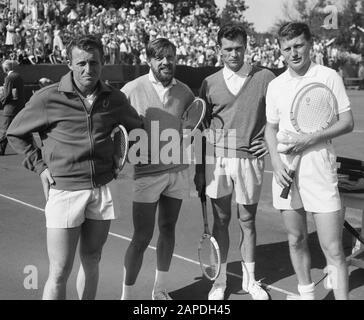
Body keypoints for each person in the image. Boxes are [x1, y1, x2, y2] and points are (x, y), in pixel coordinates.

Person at [7, 35, 142, 300]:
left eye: (94, 63)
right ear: (69, 64)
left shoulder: (115, 99)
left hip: (101, 188)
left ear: (103, 63)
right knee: (59, 270)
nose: (88, 70)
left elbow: (138, 126)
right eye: (81, 63)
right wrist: (41, 167)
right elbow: (14, 133)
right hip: (65, 191)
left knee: (92, 259)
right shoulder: (48, 98)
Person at [264, 22, 354, 300]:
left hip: (319, 168)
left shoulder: (328, 76)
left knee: (334, 249)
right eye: (287, 48)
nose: (293, 53)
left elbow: (347, 122)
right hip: (286, 172)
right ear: (279, 51)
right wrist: (277, 165)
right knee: (296, 239)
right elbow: (270, 129)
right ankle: (306, 295)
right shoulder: (275, 85)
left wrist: (310, 140)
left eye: (298, 45)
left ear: (310, 45)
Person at [194, 23, 275, 300]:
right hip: (217, 160)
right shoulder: (209, 83)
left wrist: (268, 140)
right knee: (221, 221)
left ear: (246, 47)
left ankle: (250, 282)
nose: (234, 54)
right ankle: (219, 283)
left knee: (248, 220)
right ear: (219, 50)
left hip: (249, 159)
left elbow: (281, 115)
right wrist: (199, 170)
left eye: (238, 48)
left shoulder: (265, 77)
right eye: (228, 49)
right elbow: (201, 127)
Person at [120, 38, 195, 300]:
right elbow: (115, 127)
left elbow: (192, 127)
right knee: (141, 236)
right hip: (146, 174)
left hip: (177, 172)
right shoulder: (131, 89)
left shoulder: (185, 92)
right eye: (159, 57)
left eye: (170, 57)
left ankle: (160, 289)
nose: (165, 62)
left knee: (168, 228)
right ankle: (127, 296)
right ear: (149, 60)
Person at [0, 59, 25, 155]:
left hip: (10, 108)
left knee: (5, 130)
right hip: (19, 107)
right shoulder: (18, 76)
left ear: (6, 68)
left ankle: (0, 150)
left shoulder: (9, 78)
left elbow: (7, 94)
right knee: (21, 130)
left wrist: (2, 100)